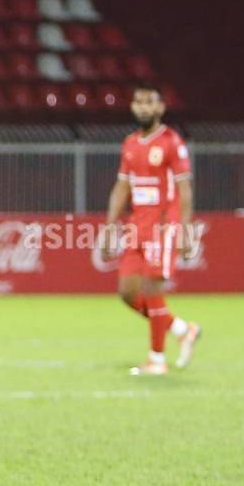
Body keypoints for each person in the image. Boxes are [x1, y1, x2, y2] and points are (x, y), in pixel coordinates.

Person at [100, 85, 202, 376]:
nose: (143, 107)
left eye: (149, 102)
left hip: (163, 225)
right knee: (127, 292)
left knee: (151, 288)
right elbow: (122, 187)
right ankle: (182, 329)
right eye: (139, 102)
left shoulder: (172, 142)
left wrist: (186, 230)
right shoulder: (130, 143)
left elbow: (184, 189)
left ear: (160, 107)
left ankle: (157, 360)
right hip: (137, 226)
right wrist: (109, 226)